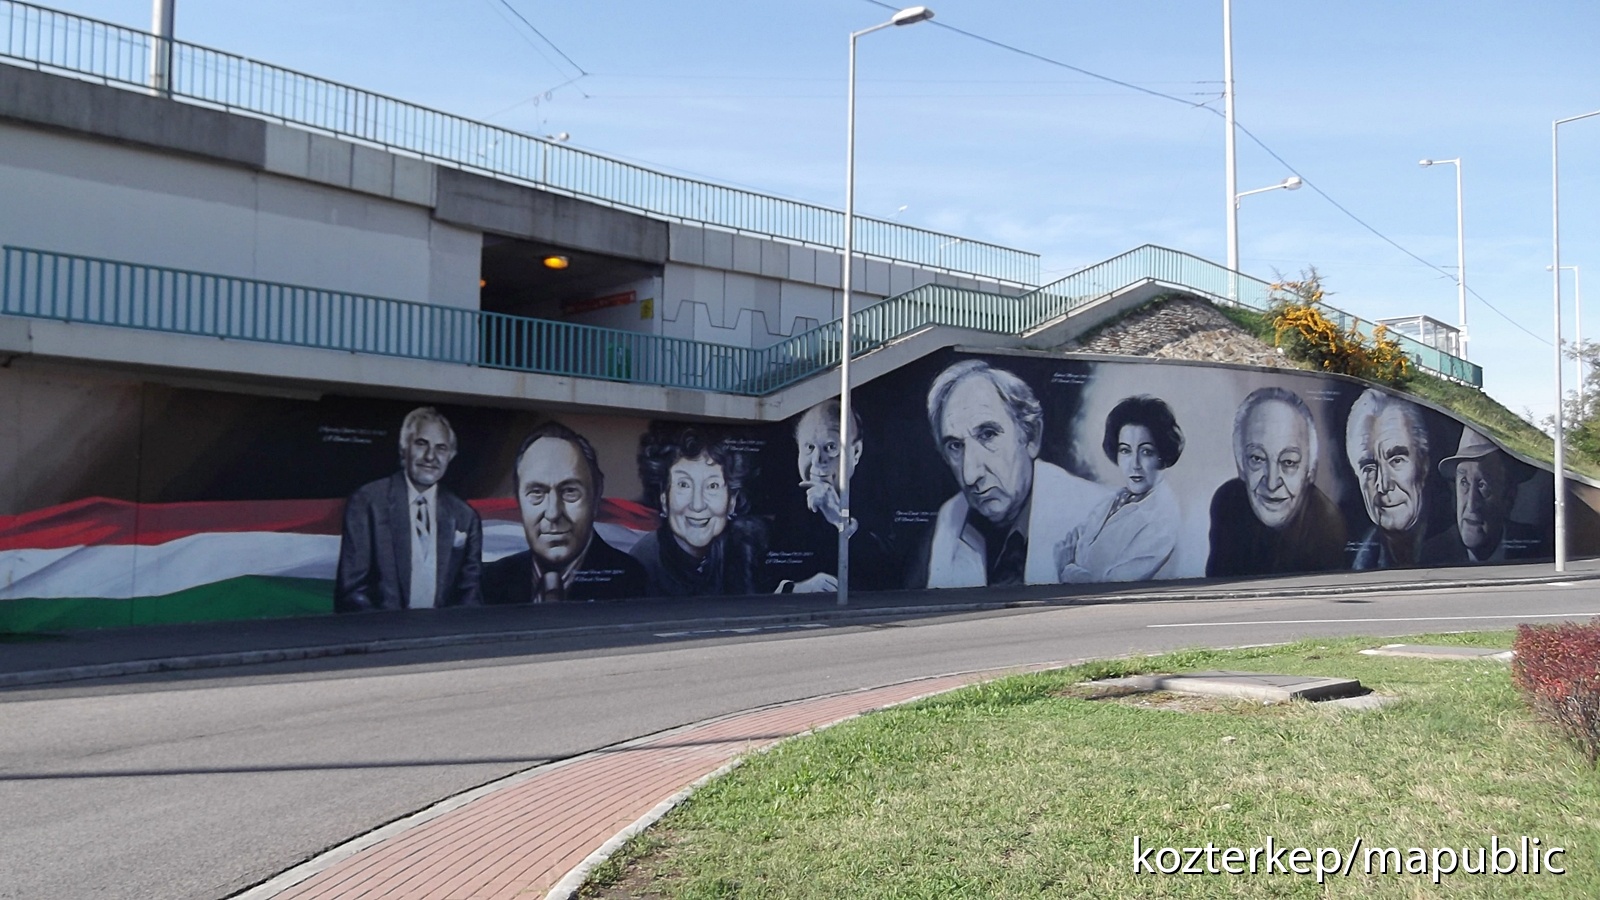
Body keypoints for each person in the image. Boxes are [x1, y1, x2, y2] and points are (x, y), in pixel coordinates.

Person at [912, 359, 1108, 588]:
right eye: (955, 446)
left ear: (1031, 436)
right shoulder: (942, 530)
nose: (970, 475)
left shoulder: (1101, 518)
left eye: (988, 435)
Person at [482, 422, 649, 603]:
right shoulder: (490, 582)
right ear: (518, 499)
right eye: (537, 493)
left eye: (570, 491)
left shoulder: (632, 579)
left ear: (596, 495)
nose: (553, 513)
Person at [335, 407, 482, 611]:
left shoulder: (465, 516)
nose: (430, 456)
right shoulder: (367, 502)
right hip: (381, 628)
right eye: (421, 444)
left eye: (441, 448)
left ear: (450, 455)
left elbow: (470, 594)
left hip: (442, 629)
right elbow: (352, 591)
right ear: (404, 448)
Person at [1206, 387, 1345, 576]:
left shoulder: (1327, 527)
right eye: (1257, 458)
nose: (1272, 484)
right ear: (1241, 464)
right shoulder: (1228, 502)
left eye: (1289, 462)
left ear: (1310, 470)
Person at [629, 423, 768, 597]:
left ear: (732, 501)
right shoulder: (643, 565)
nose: (697, 505)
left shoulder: (751, 545)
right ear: (664, 499)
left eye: (712, 486)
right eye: (684, 485)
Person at [1056, 395, 1183, 583]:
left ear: (1162, 454)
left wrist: (1067, 569)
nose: (1135, 464)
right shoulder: (1116, 499)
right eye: (1125, 450)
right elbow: (1070, 544)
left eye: (1146, 451)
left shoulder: (1162, 520)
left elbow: (1110, 585)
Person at [771, 399, 893, 593]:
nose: (817, 460)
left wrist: (840, 521)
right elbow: (760, 580)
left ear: (856, 452)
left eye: (830, 447)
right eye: (809, 447)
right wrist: (796, 589)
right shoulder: (781, 505)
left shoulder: (878, 498)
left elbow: (885, 574)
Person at [1423, 425, 1548, 563]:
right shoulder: (1432, 554)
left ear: (1508, 498)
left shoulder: (1538, 546)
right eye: (1464, 482)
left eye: (1483, 486)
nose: (1471, 505)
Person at [1345, 389, 1432, 569]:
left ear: (1423, 465)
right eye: (1369, 468)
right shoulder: (1361, 562)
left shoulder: (1454, 547)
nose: (1383, 485)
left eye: (1396, 460)